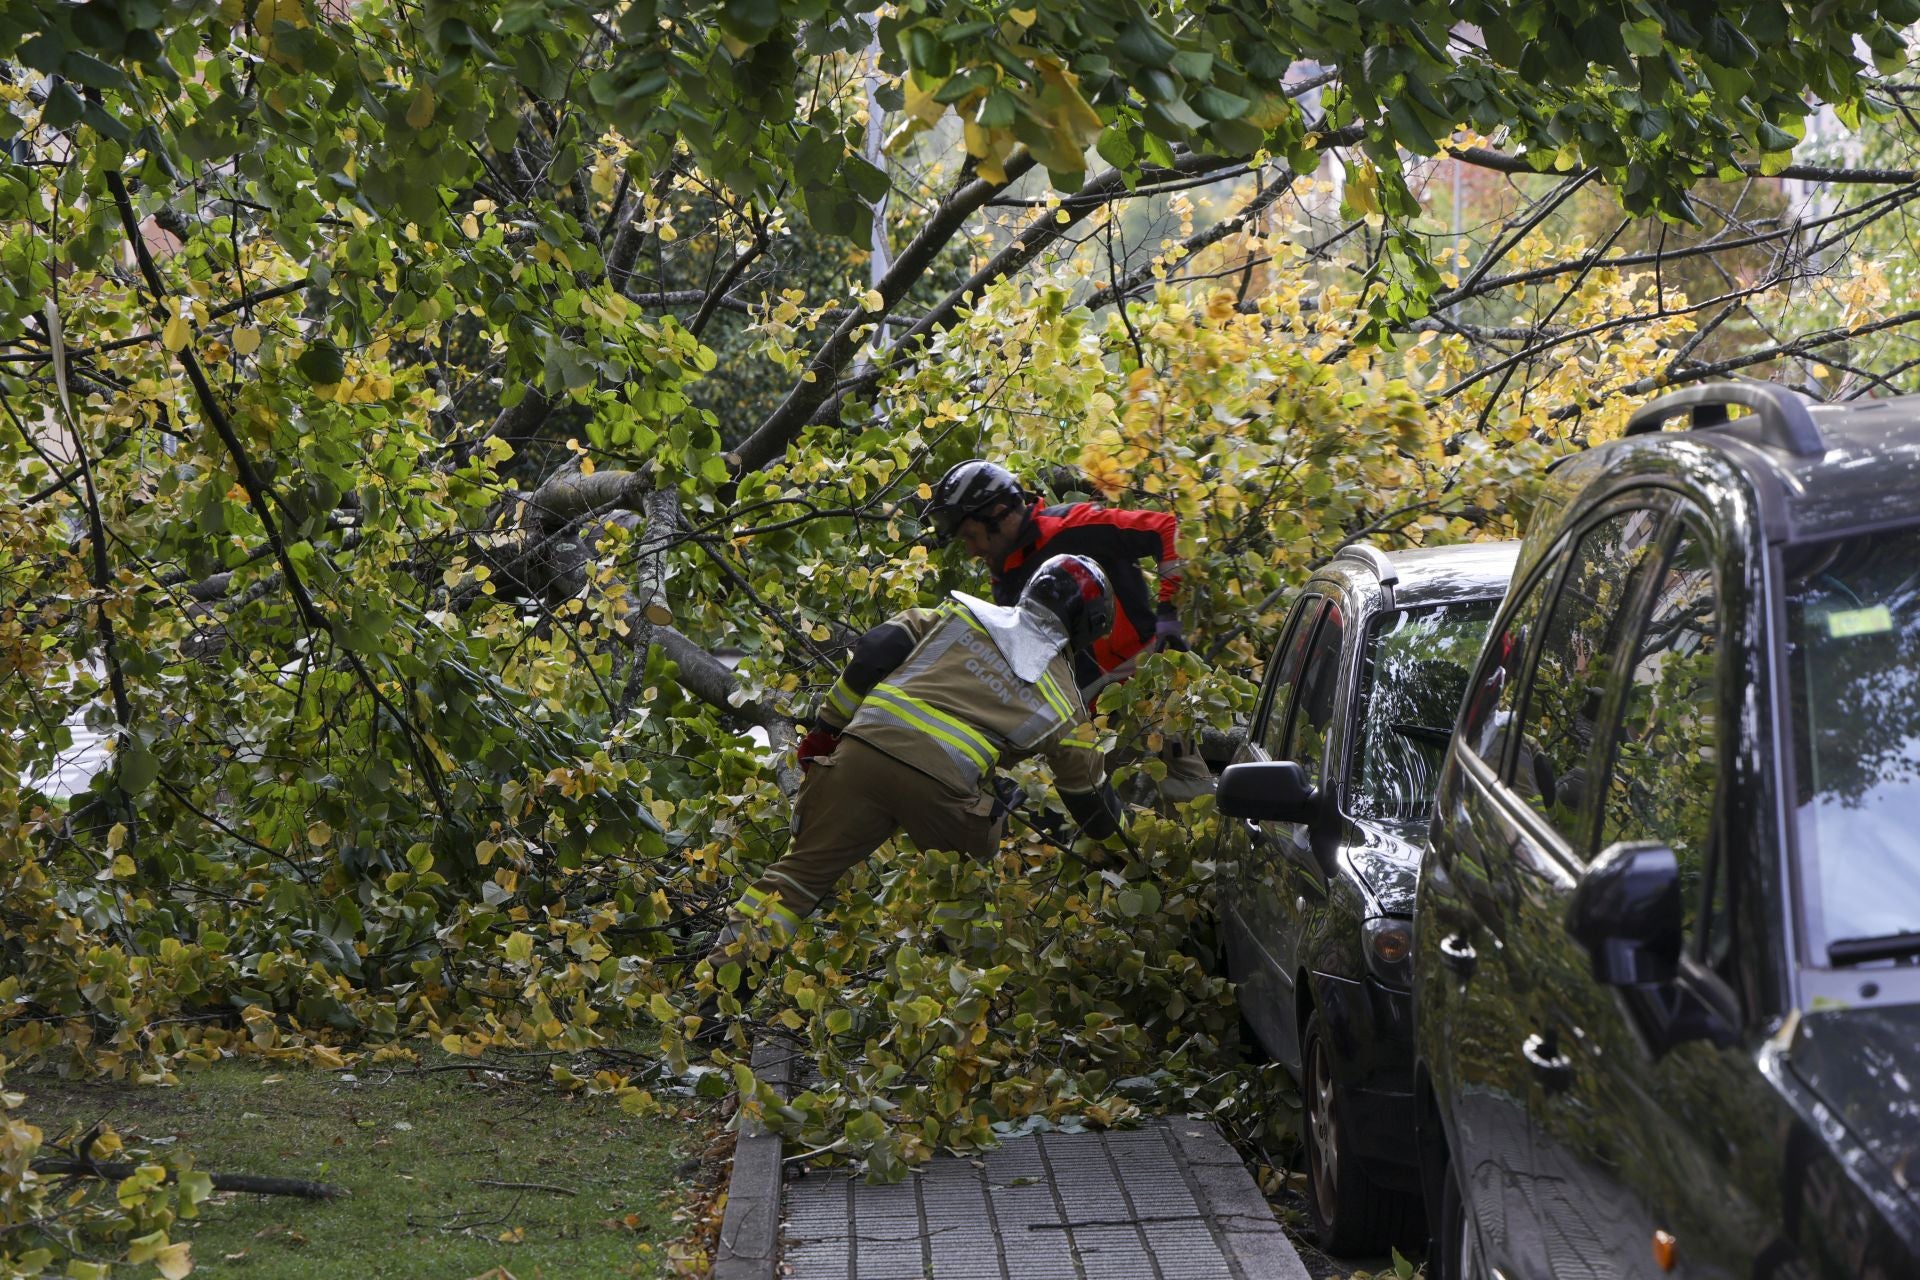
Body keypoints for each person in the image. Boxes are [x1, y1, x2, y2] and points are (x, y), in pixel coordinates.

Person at [691, 554, 1125, 1040]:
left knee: (794, 880)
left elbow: (877, 650)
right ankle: (957, 1026)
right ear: (1088, 629)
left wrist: (826, 728)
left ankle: (711, 1009)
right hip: (943, 796)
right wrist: (1128, 861)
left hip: (862, 756)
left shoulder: (955, 617)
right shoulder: (1066, 700)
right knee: (969, 895)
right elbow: (1088, 797)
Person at [925, 460, 1212, 800]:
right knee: (1121, 827)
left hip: (1146, 689)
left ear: (1000, 513)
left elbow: (1167, 529)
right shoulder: (1006, 574)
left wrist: (1170, 613)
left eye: (971, 536)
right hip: (1089, 720)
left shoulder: (1075, 525)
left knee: (1191, 799)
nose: (972, 550)